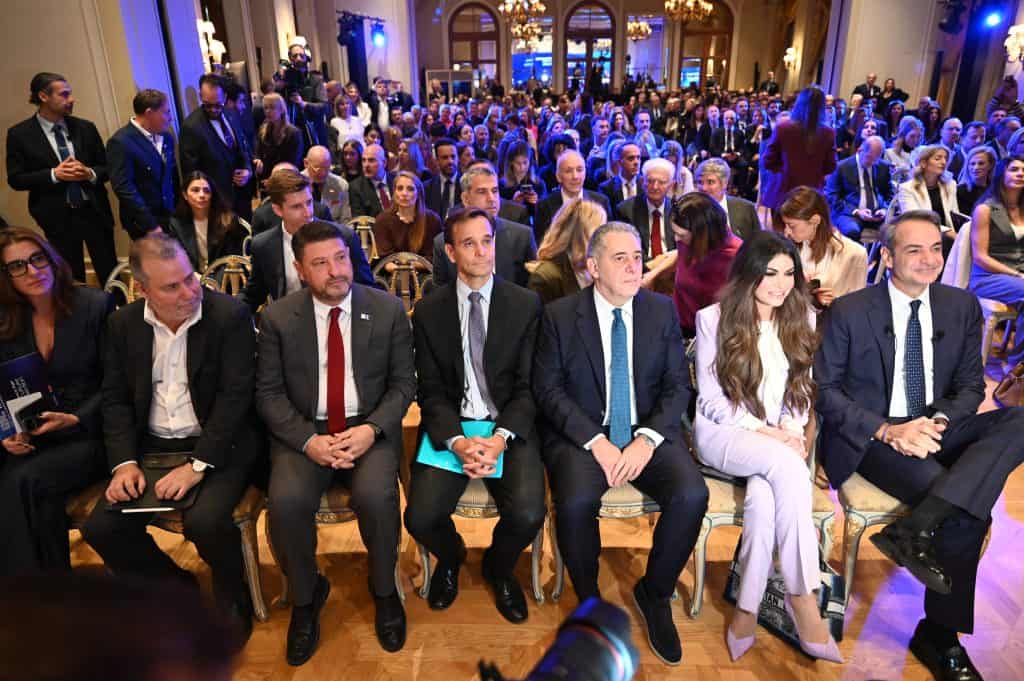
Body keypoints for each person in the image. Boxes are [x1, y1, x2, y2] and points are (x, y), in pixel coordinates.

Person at [815, 209, 1024, 681]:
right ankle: (941, 636)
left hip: (937, 425)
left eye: (936, 249)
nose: (929, 259)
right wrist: (890, 431)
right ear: (888, 257)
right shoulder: (850, 309)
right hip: (874, 437)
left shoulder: (960, 306)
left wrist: (938, 422)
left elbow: (971, 387)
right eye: (914, 250)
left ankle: (918, 526)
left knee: (1018, 420)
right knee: (966, 510)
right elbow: (825, 391)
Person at [533, 222, 709, 666]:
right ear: (594, 267)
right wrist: (596, 442)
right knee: (574, 502)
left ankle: (655, 592)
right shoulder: (559, 316)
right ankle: (589, 599)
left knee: (691, 493)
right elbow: (549, 391)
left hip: (646, 430)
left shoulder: (659, 310)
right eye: (620, 259)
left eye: (637, 257)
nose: (634, 267)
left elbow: (677, 386)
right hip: (583, 435)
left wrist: (646, 440)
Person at [81, 233, 260, 643]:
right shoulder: (122, 325)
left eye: (190, 278)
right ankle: (174, 586)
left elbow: (235, 400)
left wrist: (197, 465)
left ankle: (233, 594)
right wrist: (124, 463)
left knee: (206, 521)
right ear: (142, 289)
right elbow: (115, 400)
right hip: (153, 447)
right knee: (102, 529)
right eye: (172, 287)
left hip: (219, 445)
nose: (189, 292)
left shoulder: (228, 315)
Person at [257, 221, 416, 663]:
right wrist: (308, 440)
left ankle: (384, 591)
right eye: (321, 263)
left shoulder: (386, 310)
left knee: (377, 496)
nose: (335, 271)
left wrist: (371, 430)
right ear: (300, 269)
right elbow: (268, 394)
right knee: (286, 502)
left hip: (367, 429)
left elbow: (404, 385)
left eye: (341, 258)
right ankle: (306, 599)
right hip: (305, 433)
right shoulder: (277, 318)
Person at [694, 231, 842, 663]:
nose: (781, 284)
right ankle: (803, 597)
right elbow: (713, 401)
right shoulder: (713, 319)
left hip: (777, 443)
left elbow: (800, 390)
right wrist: (774, 435)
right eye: (770, 273)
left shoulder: (802, 317)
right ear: (749, 274)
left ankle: (746, 609)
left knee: (764, 498)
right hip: (723, 434)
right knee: (788, 466)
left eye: (789, 273)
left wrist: (791, 430)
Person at [406, 207, 545, 622]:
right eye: (469, 243)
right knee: (420, 517)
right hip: (455, 426)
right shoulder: (429, 311)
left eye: (487, 241)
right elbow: (430, 391)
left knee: (528, 513)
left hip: (507, 426)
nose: (482, 251)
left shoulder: (525, 304)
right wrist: (458, 442)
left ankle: (499, 569)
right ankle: (452, 558)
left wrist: (499, 438)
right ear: (451, 252)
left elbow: (529, 387)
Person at [0, 229, 111, 575]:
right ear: (6, 277)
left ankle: (28, 593)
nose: (33, 271)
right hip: (37, 437)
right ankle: (50, 588)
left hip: (91, 432)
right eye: (17, 266)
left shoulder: (94, 306)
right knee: (35, 494)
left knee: (22, 480)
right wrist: (5, 432)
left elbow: (120, 386)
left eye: (37, 259)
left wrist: (76, 419)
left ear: (51, 259)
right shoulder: (7, 320)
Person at [5, 72, 117, 284]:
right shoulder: (20, 134)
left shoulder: (85, 127)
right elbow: (16, 179)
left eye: (70, 93)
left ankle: (116, 305)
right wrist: (53, 175)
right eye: (64, 94)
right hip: (57, 217)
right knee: (70, 277)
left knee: (109, 271)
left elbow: (107, 167)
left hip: (94, 212)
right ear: (43, 97)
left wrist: (90, 173)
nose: (71, 99)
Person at [243, 169, 374, 312]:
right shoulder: (264, 245)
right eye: (297, 207)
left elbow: (367, 290)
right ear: (278, 210)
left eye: (309, 202)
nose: (308, 213)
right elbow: (253, 295)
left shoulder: (344, 237)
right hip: (289, 321)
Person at [431, 164, 537, 288]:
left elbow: (533, 291)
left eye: (495, 191)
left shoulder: (522, 237)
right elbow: (440, 294)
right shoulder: (443, 243)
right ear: (466, 199)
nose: (491, 198)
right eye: (482, 192)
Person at [969, 155, 1024, 371]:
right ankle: (1016, 365)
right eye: (1014, 169)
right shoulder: (986, 209)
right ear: (1002, 174)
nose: (1020, 174)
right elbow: (980, 257)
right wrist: (1016, 275)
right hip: (988, 276)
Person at [180, 74, 254, 221]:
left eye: (218, 105)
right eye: (208, 105)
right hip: (216, 203)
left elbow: (243, 148)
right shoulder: (191, 127)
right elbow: (191, 172)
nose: (213, 109)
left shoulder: (231, 114)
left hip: (242, 196)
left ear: (225, 97)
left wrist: (248, 169)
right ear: (201, 96)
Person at [779, 186, 868, 309]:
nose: (786, 232)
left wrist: (830, 302)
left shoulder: (854, 254)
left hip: (831, 319)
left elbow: (857, 307)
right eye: (785, 225)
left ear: (815, 220)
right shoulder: (787, 248)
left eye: (792, 226)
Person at [107, 88, 178, 239]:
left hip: (169, 216)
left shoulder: (167, 137)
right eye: (166, 112)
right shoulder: (121, 142)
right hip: (144, 223)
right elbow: (124, 188)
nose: (170, 118)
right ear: (149, 113)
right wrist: (150, 225)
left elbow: (172, 176)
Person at [672, 192, 743, 337]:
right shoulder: (686, 240)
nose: (676, 239)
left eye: (681, 235)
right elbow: (679, 261)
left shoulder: (736, 257)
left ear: (702, 234)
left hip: (715, 335)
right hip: (679, 326)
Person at [761, 85, 837, 212]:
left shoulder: (782, 128)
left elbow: (768, 161)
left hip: (783, 193)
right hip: (811, 195)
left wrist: (784, 170)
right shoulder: (828, 133)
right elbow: (831, 166)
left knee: (780, 225)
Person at [528, 198, 606, 304]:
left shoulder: (600, 268)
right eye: (600, 231)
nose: (605, 238)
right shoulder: (545, 277)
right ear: (580, 235)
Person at [167, 172, 248, 272]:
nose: (202, 195)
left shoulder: (228, 221)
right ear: (185, 195)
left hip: (222, 277)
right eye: (195, 190)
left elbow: (233, 259)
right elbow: (180, 259)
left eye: (206, 191)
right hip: (191, 276)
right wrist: (194, 277)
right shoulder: (176, 224)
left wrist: (213, 280)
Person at [536, 150, 613, 244]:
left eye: (579, 170)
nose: (575, 176)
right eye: (568, 171)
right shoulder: (544, 205)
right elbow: (541, 242)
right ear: (558, 176)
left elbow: (608, 238)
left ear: (585, 173)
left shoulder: (601, 202)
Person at [826, 136, 893, 241]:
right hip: (849, 214)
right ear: (860, 150)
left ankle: (879, 252)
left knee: (895, 231)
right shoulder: (841, 167)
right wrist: (857, 211)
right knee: (852, 231)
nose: (872, 162)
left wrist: (885, 209)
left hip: (877, 214)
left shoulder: (883, 167)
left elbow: (890, 193)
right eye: (869, 157)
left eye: (876, 159)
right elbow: (832, 196)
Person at [373, 171, 441, 258]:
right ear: (394, 193)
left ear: (418, 193)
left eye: (410, 189)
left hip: (425, 267)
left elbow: (434, 257)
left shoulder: (432, 220)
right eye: (400, 188)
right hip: (391, 266)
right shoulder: (383, 220)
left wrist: (412, 265)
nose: (404, 193)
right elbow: (384, 258)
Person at [898, 145, 960, 237]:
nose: (943, 162)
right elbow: (915, 219)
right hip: (920, 234)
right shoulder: (907, 188)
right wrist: (947, 232)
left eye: (945, 159)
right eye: (938, 159)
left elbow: (954, 214)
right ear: (923, 163)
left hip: (949, 235)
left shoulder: (950, 185)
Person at [695, 158, 760, 240]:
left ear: (724, 183)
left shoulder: (746, 209)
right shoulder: (689, 211)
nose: (704, 188)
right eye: (700, 182)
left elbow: (758, 243)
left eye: (710, 182)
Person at [254, 93, 303, 188]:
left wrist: (274, 180)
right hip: (265, 180)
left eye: (272, 108)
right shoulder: (263, 129)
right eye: (265, 108)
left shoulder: (293, 133)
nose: (268, 111)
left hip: (285, 182)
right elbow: (258, 152)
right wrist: (258, 159)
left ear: (281, 110)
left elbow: (293, 163)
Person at [302, 145, 351, 222]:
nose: (323, 173)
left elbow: (346, 220)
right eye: (317, 168)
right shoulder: (296, 185)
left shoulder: (341, 185)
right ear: (306, 163)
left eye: (326, 168)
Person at [349, 143, 394, 218]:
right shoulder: (356, 187)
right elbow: (360, 219)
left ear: (384, 163)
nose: (366, 165)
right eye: (363, 160)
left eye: (371, 160)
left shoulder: (397, 180)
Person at [424, 139, 461, 222]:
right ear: (437, 160)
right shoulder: (426, 188)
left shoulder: (466, 186)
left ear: (458, 158)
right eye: (445, 157)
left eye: (453, 157)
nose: (450, 161)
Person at [956, 145, 996, 216]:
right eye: (972, 164)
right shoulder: (958, 191)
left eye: (981, 163)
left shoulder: (996, 191)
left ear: (990, 165)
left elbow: (999, 216)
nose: (976, 167)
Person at [884, 116, 924, 186]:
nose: (915, 140)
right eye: (912, 136)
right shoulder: (889, 153)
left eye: (918, 136)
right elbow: (887, 179)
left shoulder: (922, 152)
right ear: (903, 135)